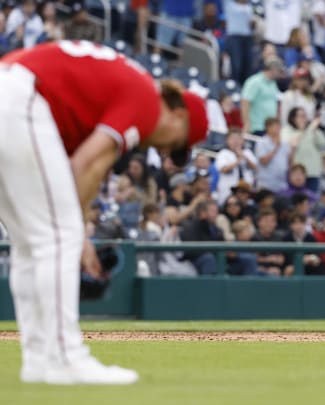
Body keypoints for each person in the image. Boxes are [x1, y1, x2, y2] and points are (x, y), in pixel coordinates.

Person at [0, 40, 208, 383]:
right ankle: (66, 358)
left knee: (30, 243)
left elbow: (87, 168)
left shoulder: (130, 86)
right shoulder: (147, 100)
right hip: (20, 100)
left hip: (12, 87)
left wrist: (77, 232)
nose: (169, 150)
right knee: (56, 238)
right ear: (178, 113)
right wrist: (79, 236)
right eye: (178, 142)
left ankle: (38, 359)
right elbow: (84, 166)